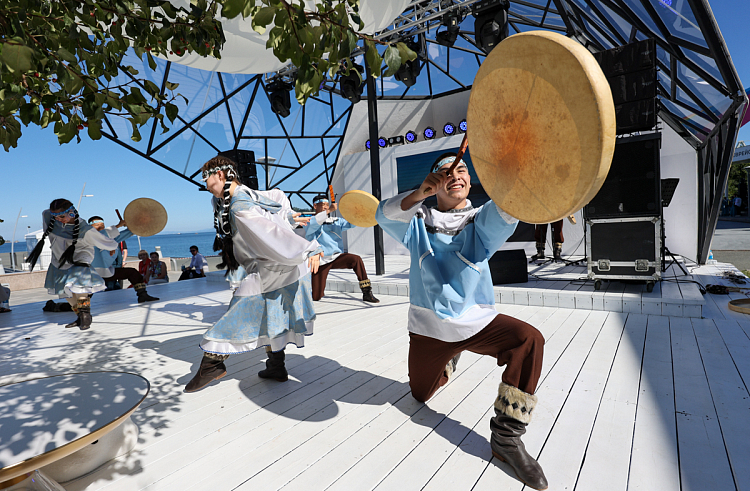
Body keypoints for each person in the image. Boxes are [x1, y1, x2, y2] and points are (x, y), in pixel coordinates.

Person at [375, 153, 548, 490]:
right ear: (434, 182)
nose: (455, 175)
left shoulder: (479, 219)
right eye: (445, 172)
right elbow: (382, 214)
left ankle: (507, 438)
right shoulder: (416, 221)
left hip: (476, 320)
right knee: (419, 395)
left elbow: (506, 211)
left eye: (462, 170)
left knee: (529, 339)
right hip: (429, 328)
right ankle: (448, 362)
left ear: (469, 181)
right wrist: (417, 194)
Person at [184, 155, 323, 393]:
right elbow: (276, 197)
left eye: (206, 178)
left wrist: (308, 247)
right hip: (277, 267)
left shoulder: (239, 203)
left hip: (275, 268)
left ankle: (212, 365)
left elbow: (269, 231)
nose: (205, 184)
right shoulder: (243, 194)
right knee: (274, 317)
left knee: (236, 312)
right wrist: (287, 217)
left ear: (220, 175)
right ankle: (276, 367)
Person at [26, 199, 121, 330]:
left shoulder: (86, 230)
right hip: (58, 261)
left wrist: (112, 247)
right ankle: (79, 316)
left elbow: (104, 240)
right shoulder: (50, 219)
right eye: (55, 216)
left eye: (61, 216)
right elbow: (46, 212)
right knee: (65, 291)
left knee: (80, 286)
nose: (58, 219)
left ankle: (85, 316)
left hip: (80, 260)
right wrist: (59, 212)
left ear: (71, 212)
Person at [303, 194, 379, 303]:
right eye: (323, 205)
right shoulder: (309, 220)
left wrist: (358, 212)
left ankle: (367, 292)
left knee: (356, 259)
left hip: (337, 257)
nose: (325, 207)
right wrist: (328, 211)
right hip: (320, 260)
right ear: (315, 206)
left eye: (327, 205)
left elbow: (352, 224)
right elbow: (311, 227)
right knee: (316, 296)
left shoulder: (336, 221)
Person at [88, 216, 158, 303]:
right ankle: (77, 305)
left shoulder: (108, 239)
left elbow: (121, 235)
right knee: (84, 293)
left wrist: (134, 226)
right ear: (90, 227)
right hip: (91, 272)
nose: (100, 227)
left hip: (106, 271)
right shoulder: (87, 236)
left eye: (102, 225)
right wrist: (118, 225)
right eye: (97, 225)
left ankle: (142, 295)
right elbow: (101, 234)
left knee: (133, 273)